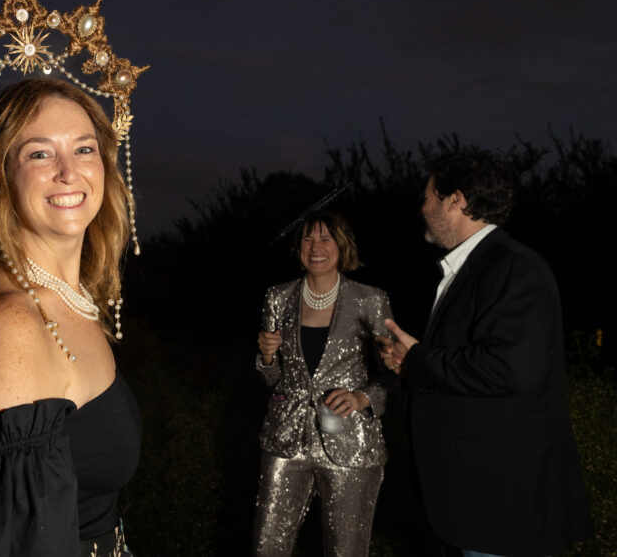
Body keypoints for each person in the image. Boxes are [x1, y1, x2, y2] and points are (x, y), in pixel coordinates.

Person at [0, 78, 140, 556]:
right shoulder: (9, 330)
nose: (69, 172)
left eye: (84, 149)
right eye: (39, 154)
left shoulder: (71, 301)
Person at [378, 150, 593, 556]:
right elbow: (467, 366)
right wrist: (411, 368)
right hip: (468, 504)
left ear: (455, 200)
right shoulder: (474, 268)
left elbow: (508, 369)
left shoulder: (514, 268)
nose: (422, 208)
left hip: (501, 511)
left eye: (428, 197)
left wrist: (421, 360)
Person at [253, 210, 392, 557]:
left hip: (351, 444)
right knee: (267, 547)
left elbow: (394, 372)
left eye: (325, 238)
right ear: (298, 248)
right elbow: (273, 380)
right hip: (286, 442)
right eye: (307, 239)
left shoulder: (370, 300)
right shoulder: (278, 297)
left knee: (346, 551)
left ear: (341, 246)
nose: (315, 247)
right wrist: (267, 357)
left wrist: (362, 398)